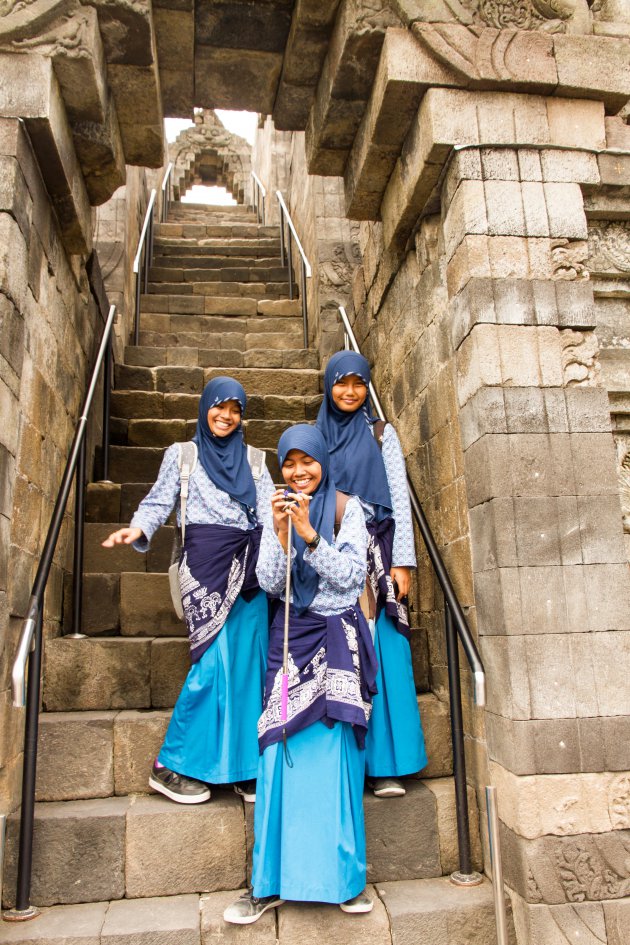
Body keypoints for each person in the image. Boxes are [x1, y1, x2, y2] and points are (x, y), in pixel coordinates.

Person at [223, 424, 378, 925]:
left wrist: (311, 535)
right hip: (291, 638)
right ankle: (268, 883)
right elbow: (269, 581)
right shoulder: (279, 510)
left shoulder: (346, 509)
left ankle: (344, 881)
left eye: (305, 462)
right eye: (288, 464)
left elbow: (354, 577)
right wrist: (283, 534)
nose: (297, 472)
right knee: (277, 754)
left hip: (338, 639)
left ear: (321, 462)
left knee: (334, 762)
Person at [102, 376, 273, 805]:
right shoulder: (183, 456)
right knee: (213, 667)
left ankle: (244, 769)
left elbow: (270, 512)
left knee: (250, 667)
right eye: (220, 407)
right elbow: (160, 500)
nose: (226, 416)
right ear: (205, 407)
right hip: (207, 568)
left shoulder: (255, 459)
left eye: (235, 410)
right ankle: (171, 766)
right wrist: (138, 527)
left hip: (252, 570)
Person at [316, 351, 427, 798]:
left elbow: (398, 499)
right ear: (328, 387)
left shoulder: (381, 434)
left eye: (358, 383)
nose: (349, 391)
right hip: (332, 559)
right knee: (340, 653)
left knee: (385, 650)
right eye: (341, 383)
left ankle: (387, 765)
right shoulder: (316, 437)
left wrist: (404, 561)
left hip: (379, 557)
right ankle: (345, 762)